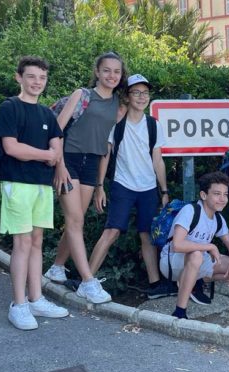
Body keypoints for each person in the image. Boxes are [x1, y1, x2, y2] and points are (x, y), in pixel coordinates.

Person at [43, 52, 127, 304]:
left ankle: (57, 267)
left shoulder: (119, 107)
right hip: (68, 158)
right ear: (97, 72)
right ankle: (88, 281)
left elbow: (107, 148)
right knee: (75, 220)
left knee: (75, 221)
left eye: (116, 72)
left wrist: (101, 185)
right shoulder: (83, 95)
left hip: (92, 163)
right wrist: (58, 164)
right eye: (106, 70)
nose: (111, 75)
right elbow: (57, 128)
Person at [87, 74, 175, 299]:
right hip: (122, 185)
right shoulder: (116, 123)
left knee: (147, 235)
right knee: (112, 231)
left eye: (145, 93)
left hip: (147, 188)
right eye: (136, 92)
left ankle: (155, 284)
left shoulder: (153, 125)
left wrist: (164, 191)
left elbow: (158, 160)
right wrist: (99, 187)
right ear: (126, 95)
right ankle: (87, 279)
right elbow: (105, 155)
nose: (141, 97)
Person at [0, 56, 69, 330]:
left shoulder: (48, 114)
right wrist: (45, 154)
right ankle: (19, 304)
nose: (37, 82)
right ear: (19, 78)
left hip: (41, 185)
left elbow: (56, 151)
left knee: (37, 241)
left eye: (42, 78)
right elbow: (12, 148)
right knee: (22, 243)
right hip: (17, 183)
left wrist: (46, 155)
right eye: (31, 77)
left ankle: (36, 298)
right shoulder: (10, 107)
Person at [160, 172, 229, 320]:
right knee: (196, 255)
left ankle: (196, 281)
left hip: (198, 260)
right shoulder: (191, 210)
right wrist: (210, 246)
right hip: (171, 262)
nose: (222, 199)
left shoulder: (218, 219)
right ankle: (180, 311)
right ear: (203, 195)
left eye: (225, 194)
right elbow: (177, 245)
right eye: (216, 194)